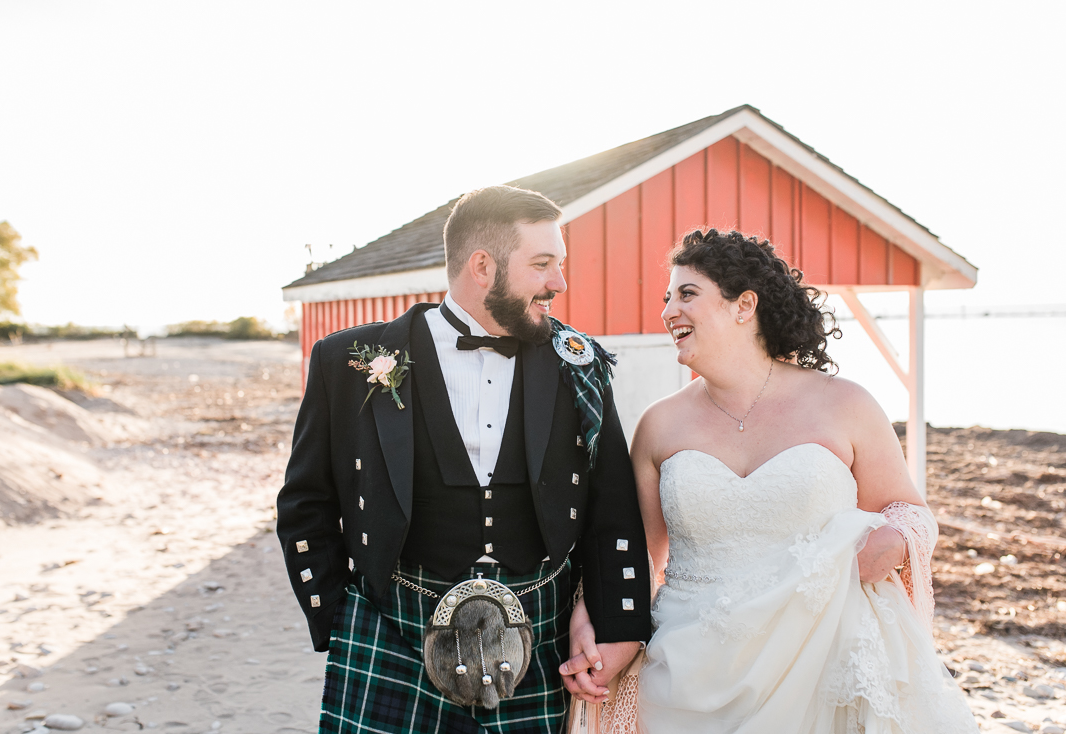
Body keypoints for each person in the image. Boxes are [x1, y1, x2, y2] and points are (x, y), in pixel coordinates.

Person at [277, 184, 650, 734]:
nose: (559, 284)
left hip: (538, 633)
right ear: (482, 266)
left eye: (559, 264)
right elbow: (307, 500)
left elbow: (611, 503)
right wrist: (339, 616)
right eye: (543, 264)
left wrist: (618, 623)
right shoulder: (349, 361)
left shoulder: (579, 364)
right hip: (391, 630)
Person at [629, 228, 978, 733]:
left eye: (687, 294)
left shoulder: (846, 405)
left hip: (821, 660)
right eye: (666, 298)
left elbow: (909, 510)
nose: (667, 313)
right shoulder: (657, 426)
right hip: (689, 675)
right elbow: (640, 558)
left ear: (743, 305)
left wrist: (894, 541)